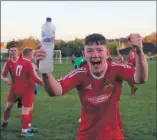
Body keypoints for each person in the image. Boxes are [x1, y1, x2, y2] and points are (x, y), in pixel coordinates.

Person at [34, 33, 148, 140]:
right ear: (84, 55)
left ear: (107, 53)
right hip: (87, 136)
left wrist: (139, 52)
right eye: (89, 51)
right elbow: (55, 91)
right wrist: (45, 72)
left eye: (99, 50)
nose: (95, 55)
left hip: (114, 136)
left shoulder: (116, 69)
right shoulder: (80, 73)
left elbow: (141, 78)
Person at [14, 47, 43, 137]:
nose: (33, 56)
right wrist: (45, 84)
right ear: (30, 54)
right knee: (25, 110)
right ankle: (24, 132)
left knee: (29, 108)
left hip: (20, 89)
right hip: (27, 90)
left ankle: (28, 126)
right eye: (33, 54)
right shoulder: (28, 64)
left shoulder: (19, 62)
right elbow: (34, 77)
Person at [1, 44, 21, 129]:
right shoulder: (8, 63)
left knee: (27, 108)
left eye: (14, 50)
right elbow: (2, 75)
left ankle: (27, 126)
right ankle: (5, 123)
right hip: (14, 88)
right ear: (9, 52)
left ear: (18, 51)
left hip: (25, 88)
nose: (13, 52)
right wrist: (4, 79)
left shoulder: (24, 60)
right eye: (11, 51)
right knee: (8, 108)